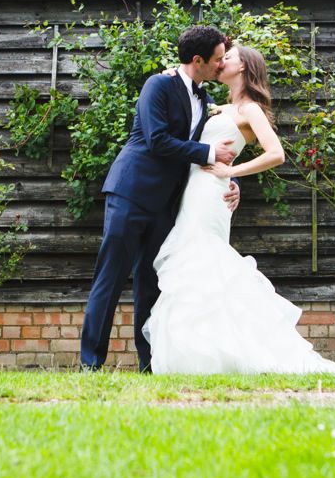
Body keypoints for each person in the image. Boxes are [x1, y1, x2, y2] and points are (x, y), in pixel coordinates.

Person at [142, 44, 335, 375]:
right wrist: (170, 73)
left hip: (210, 195)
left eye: (228, 58)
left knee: (202, 258)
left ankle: (219, 353)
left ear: (243, 68)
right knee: (193, 263)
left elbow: (276, 154)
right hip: (191, 192)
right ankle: (201, 351)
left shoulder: (250, 110)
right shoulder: (214, 106)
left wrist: (232, 175)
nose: (220, 62)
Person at [79, 25, 240, 370]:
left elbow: (219, 149)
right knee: (110, 278)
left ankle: (148, 365)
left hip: (167, 205)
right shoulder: (158, 85)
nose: (220, 65)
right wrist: (209, 153)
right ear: (197, 60)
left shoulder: (207, 101)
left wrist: (231, 180)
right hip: (131, 192)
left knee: (151, 286)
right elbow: (157, 140)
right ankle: (90, 364)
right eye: (216, 59)